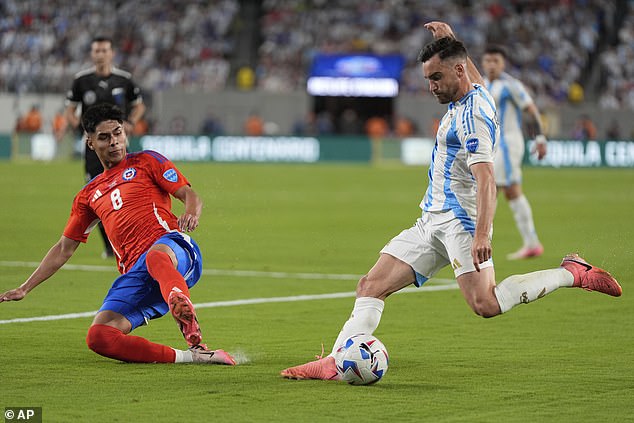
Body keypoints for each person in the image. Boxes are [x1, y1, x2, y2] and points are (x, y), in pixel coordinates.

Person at [280, 22, 621, 382]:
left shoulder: (473, 117)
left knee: (486, 304)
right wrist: (448, 37)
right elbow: (470, 72)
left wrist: (482, 235)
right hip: (431, 220)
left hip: (460, 222)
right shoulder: (472, 91)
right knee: (370, 285)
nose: (431, 87)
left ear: (457, 71)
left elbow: (487, 179)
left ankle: (570, 272)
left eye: (436, 78)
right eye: (428, 78)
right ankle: (335, 362)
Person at [0, 104, 235, 366]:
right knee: (99, 336)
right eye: (104, 137)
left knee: (156, 257)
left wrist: (191, 212)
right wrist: (25, 287)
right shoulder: (88, 196)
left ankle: (183, 311)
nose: (114, 142)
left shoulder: (148, 161)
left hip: (173, 249)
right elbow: (64, 248)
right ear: (90, 143)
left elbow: (188, 194)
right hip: (136, 274)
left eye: (118, 133)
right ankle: (192, 357)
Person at [65, 36, 146, 259]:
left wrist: (130, 123)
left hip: (120, 144)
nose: (100, 54)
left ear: (112, 53)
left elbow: (139, 105)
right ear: (92, 54)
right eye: (97, 51)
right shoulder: (81, 81)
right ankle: (110, 246)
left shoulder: (124, 80)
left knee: (125, 190)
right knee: (96, 192)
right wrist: (80, 128)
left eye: (104, 50)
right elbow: (70, 110)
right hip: (93, 147)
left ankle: (130, 239)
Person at [481, 45, 548, 260]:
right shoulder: (481, 82)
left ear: (503, 63)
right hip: (493, 144)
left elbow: (531, 110)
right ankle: (532, 244)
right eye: (488, 60)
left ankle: (480, 241)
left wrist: (539, 138)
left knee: (491, 188)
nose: (491, 65)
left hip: (508, 144)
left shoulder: (511, 86)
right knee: (511, 191)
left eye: (496, 61)